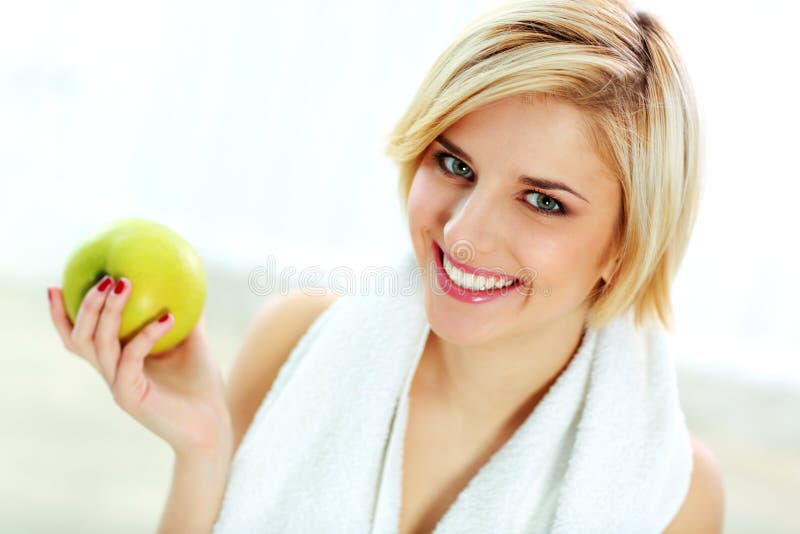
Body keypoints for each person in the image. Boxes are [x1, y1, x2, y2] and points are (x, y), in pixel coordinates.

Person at [47, 0, 724, 532]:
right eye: (455, 164)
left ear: (624, 244)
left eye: (543, 201)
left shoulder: (669, 495)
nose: (463, 234)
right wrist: (201, 453)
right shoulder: (293, 343)